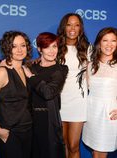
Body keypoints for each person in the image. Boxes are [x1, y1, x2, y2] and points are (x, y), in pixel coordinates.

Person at [0, 31, 33, 158]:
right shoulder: (2, 72)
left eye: (23, 45)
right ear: (7, 48)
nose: (19, 50)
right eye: (14, 46)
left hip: (28, 130)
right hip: (10, 132)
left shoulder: (26, 70)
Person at [23, 32, 68, 158]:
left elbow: (48, 93)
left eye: (54, 46)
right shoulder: (31, 67)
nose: (51, 51)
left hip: (48, 120)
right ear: (39, 49)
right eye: (47, 47)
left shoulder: (60, 69)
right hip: (29, 120)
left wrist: (31, 77)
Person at [57, 13, 90, 158]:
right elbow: (41, 64)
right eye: (69, 24)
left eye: (77, 25)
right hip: (59, 102)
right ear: (64, 27)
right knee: (62, 143)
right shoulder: (56, 48)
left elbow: (95, 76)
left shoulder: (87, 49)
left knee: (73, 145)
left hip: (78, 103)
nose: (72, 28)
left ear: (81, 28)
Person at [82, 27, 117, 158]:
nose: (109, 44)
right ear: (99, 43)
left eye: (113, 41)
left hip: (109, 115)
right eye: (105, 40)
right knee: (95, 152)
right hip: (91, 113)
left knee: (100, 152)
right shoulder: (90, 65)